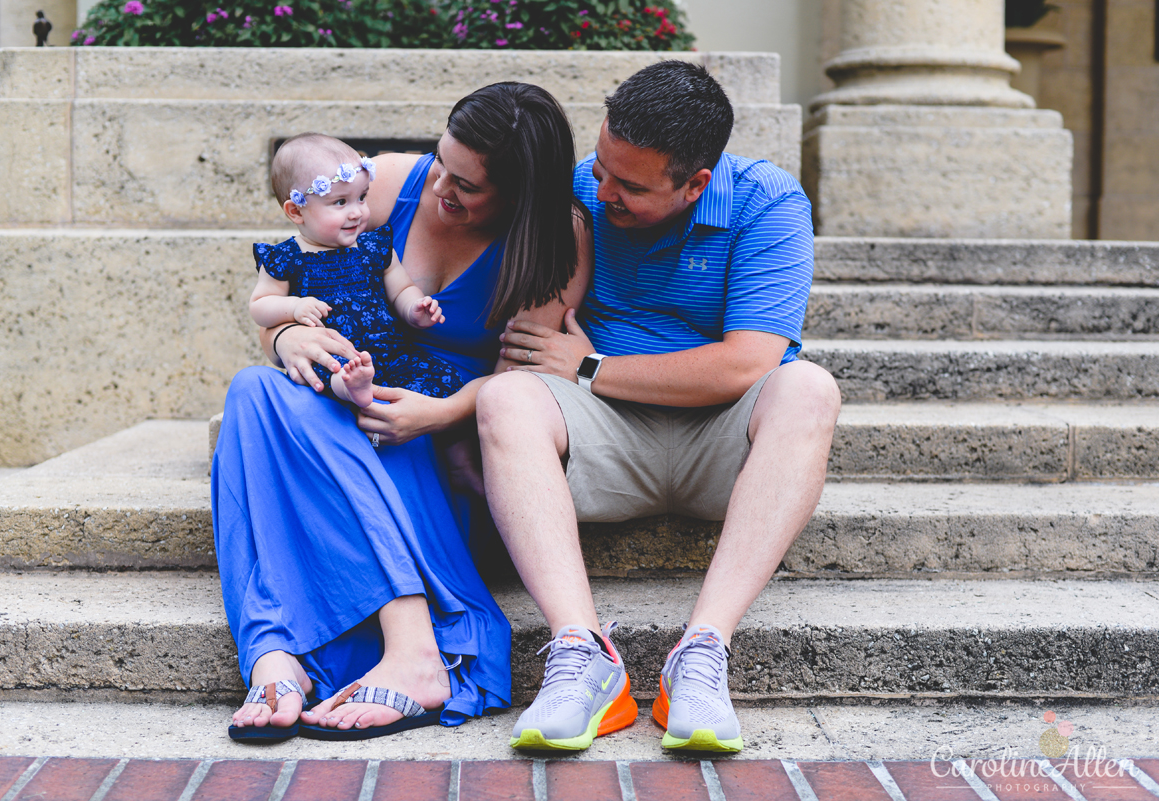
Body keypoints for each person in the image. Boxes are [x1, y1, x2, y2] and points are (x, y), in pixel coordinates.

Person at [477, 60, 841, 754]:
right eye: (603, 165)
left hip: (721, 447)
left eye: (630, 185)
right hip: (602, 438)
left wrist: (588, 364)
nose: (601, 187)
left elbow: (746, 364)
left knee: (808, 386)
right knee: (505, 398)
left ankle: (701, 654)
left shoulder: (770, 204)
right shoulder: (583, 186)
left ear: (695, 183)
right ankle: (583, 653)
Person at [213, 81, 591, 742]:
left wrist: (438, 413)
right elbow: (291, 285)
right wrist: (284, 336)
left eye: (466, 185)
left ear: (517, 195)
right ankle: (274, 655)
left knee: (309, 426)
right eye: (442, 160)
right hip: (345, 393)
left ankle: (413, 645)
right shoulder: (382, 181)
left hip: (436, 429)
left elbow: (520, 377)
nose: (442, 185)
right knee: (252, 390)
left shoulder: (555, 237)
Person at [250, 134, 457, 410]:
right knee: (331, 367)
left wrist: (415, 309)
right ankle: (353, 389)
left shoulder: (374, 247)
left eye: (361, 197)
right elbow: (260, 306)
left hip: (390, 353)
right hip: (334, 352)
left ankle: (459, 450)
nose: (357, 212)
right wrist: (293, 307)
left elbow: (402, 290)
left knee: (441, 378)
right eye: (340, 202)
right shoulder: (286, 258)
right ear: (296, 212)